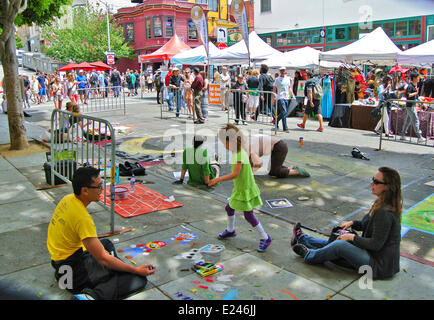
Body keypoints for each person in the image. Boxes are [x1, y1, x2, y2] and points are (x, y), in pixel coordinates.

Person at [47, 167, 156, 300]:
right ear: (85, 190)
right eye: (99, 186)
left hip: (62, 265)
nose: (102, 189)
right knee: (136, 279)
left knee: (106, 244)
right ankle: (92, 296)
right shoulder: (82, 218)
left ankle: (113, 272)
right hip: (74, 273)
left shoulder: (68, 199)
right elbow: (102, 258)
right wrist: (135, 270)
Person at [291, 167, 402, 280]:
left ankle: (310, 255)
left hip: (379, 266)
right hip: (373, 256)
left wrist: (351, 237)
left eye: (376, 182)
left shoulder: (384, 212)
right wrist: (353, 223)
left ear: (388, 187)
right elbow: (366, 225)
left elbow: (375, 244)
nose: (371, 182)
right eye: (372, 179)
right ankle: (304, 239)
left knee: (340, 245)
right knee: (339, 239)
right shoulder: (380, 203)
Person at [208, 124, 272, 252]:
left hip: (244, 189)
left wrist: (217, 179)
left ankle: (265, 237)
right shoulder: (239, 151)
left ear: (230, 141)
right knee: (229, 208)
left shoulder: (238, 155)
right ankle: (231, 230)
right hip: (242, 188)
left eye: (223, 142)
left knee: (248, 215)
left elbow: (235, 174)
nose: (223, 145)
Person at [400, 73, 426, 143]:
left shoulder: (414, 86)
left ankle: (403, 135)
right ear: (414, 78)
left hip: (412, 105)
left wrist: (422, 103)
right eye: (418, 77)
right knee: (415, 121)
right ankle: (419, 136)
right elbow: (408, 95)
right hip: (410, 106)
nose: (419, 78)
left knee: (408, 121)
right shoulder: (410, 86)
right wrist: (416, 92)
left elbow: (416, 96)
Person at [273, 67, 296, 132]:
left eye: (283, 71)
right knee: (284, 112)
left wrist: (292, 95)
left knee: (284, 112)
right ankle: (285, 127)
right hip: (280, 97)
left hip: (286, 97)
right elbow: (274, 89)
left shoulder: (288, 79)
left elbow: (289, 88)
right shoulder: (277, 79)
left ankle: (276, 120)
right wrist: (273, 98)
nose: (283, 72)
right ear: (280, 71)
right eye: (281, 71)